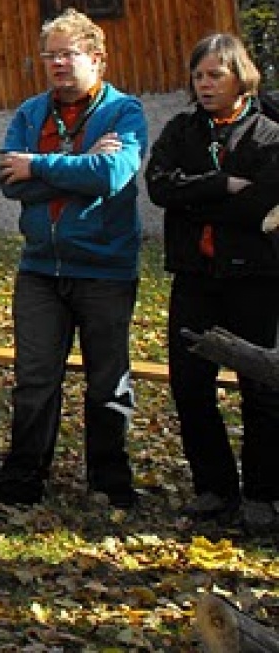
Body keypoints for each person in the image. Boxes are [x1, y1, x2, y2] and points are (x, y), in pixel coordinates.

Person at [0, 8, 146, 509]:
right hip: (41, 268)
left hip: (104, 268)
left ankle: (109, 481)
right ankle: (23, 479)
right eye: (50, 55)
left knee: (108, 382)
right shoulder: (29, 113)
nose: (58, 64)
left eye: (69, 54)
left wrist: (39, 165)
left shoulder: (125, 112)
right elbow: (7, 183)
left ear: (96, 58)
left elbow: (112, 176)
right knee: (35, 379)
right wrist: (82, 167)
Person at [146, 33, 279, 531]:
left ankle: (263, 494)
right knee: (190, 384)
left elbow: (260, 204)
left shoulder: (268, 134)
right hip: (195, 278)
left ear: (239, 76)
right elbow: (159, 187)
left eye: (214, 75)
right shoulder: (182, 130)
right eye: (198, 76)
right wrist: (220, 184)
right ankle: (213, 488)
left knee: (260, 385)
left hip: (255, 278)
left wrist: (194, 195)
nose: (205, 84)